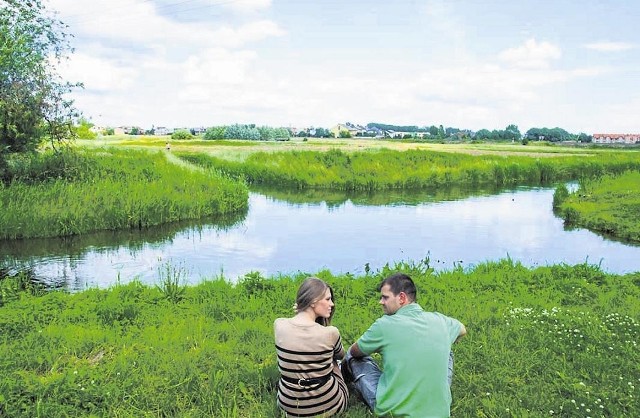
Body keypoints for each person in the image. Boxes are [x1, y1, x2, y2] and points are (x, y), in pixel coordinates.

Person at [343, 272, 467, 417]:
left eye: (385, 297)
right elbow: (462, 330)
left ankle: (340, 384)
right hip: (439, 412)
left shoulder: (384, 325)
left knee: (354, 358)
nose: (381, 302)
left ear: (402, 298)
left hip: (393, 410)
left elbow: (355, 351)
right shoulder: (441, 320)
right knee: (448, 352)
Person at [274, 277, 349, 417]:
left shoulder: (279, 324)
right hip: (330, 405)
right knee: (334, 359)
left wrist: (301, 313)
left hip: (288, 406)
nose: (331, 304)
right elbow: (341, 356)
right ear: (313, 301)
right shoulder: (330, 332)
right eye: (327, 299)